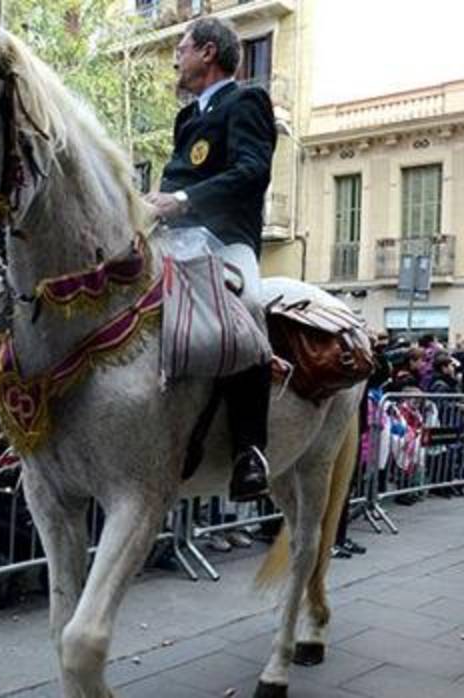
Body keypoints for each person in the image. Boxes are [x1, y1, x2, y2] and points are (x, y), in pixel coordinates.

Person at [147, 16, 277, 502]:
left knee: (251, 312)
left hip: (226, 241)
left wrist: (182, 201)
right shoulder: (186, 118)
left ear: (206, 52)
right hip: (172, 240)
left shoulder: (248, 101)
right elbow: (173, 180)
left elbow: (252, 172)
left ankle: (251, 450)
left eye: (181, 48)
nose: (176, 58)